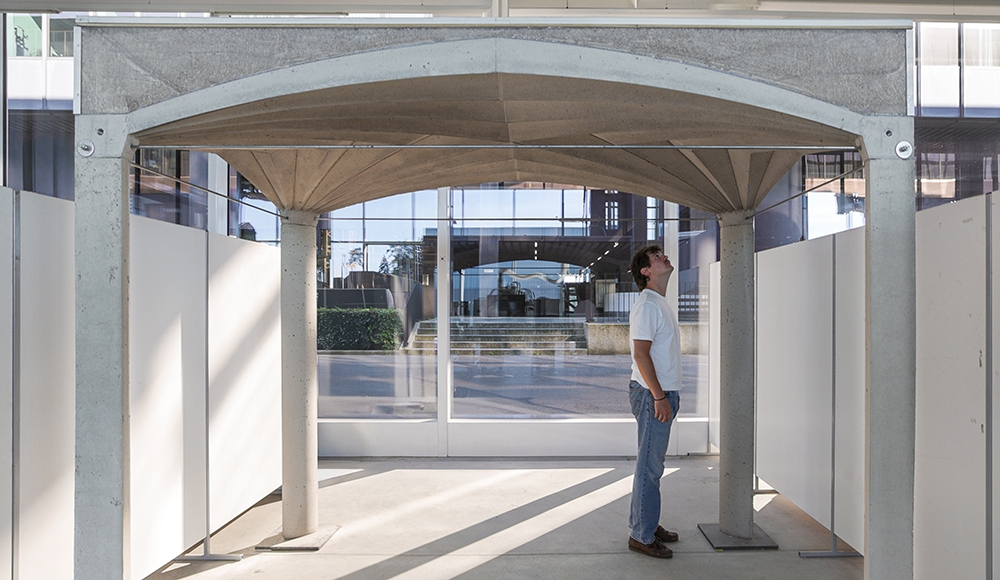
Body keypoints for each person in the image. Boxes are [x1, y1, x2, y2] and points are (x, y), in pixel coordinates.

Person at [626, 244, 681, 559]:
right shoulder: (648, 305)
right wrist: (659, 396)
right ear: (646, 271)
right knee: (650, 467)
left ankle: (646, 522)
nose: (664, 257)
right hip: (652, 395)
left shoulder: (659, 302)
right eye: (656, 256)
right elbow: (640, 354)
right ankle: (642, 536)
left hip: (661, 394)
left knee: (651, 466)